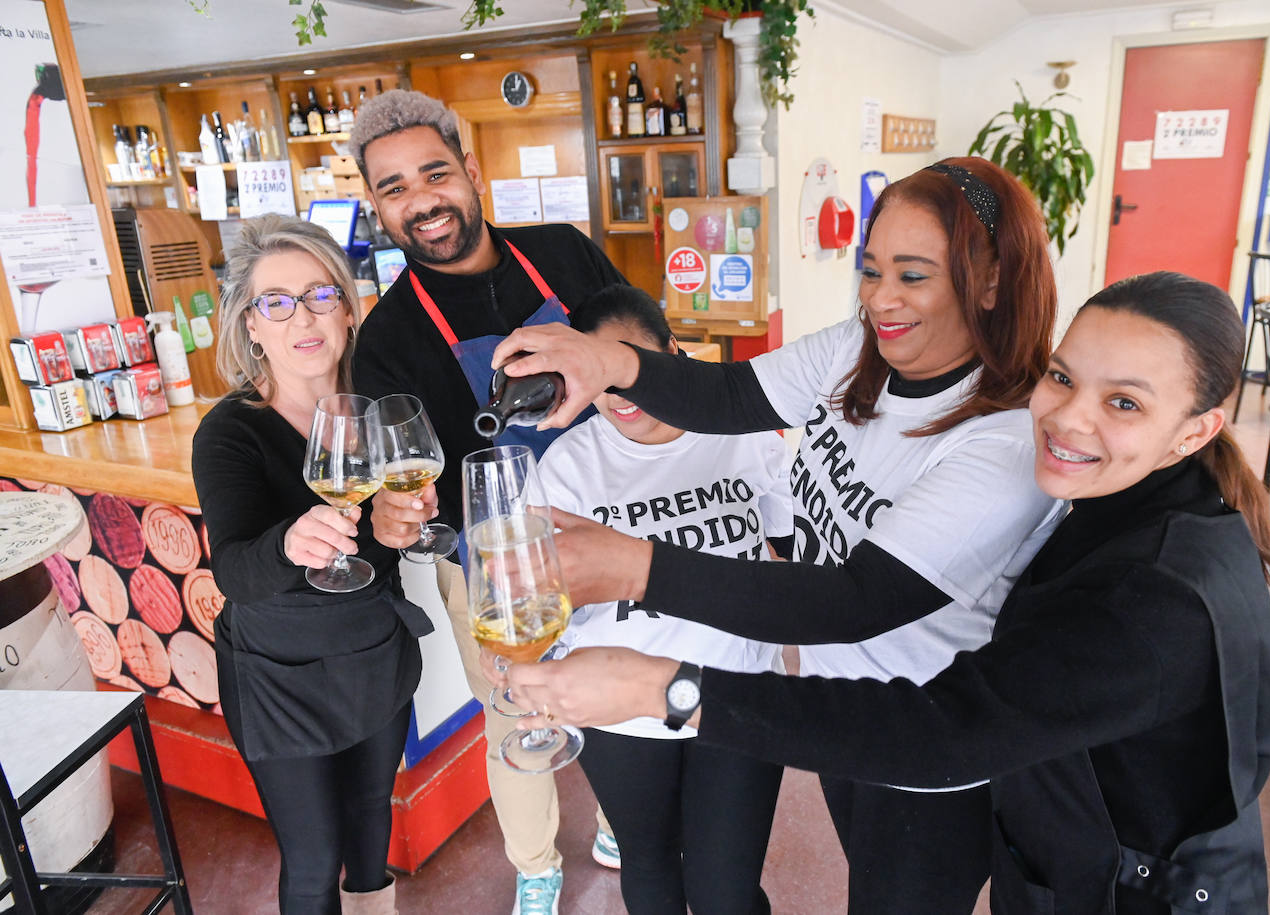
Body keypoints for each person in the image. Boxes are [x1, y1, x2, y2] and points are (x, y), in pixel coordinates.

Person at [500, 271, 1270, 913]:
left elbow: (939, 726)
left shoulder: (1150, 597)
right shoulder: (1107, 495)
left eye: (1124, 403)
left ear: (1197, 429)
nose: (1066, 419)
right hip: (1056, 845)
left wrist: (659, 681)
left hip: (1130, 884)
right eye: (1061, 377)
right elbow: (735, 397)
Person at [491, 158, 1064, 912]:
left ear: (989, 282)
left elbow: (856, 599)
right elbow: (731, 393)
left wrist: (636, 568)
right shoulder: (862, 351)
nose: (882, 299)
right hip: (842, 707)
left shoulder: (1004, 441)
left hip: (925, 745)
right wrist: (609, 363)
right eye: (872, 269)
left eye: (914, 275)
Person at [346, 88, 627, 913]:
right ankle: (535, 863)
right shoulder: (388, 337)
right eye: (394, 188)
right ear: (376, 205)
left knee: (618, 684)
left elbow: (648, 351)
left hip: (611, 523)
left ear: (471, 171)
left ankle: (620, 817)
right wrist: (397, 518)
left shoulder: (565, 255)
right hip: (492, 556)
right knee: (512, 715)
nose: (421, 202)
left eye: (435, 174)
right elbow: (403, 485)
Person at [192, 214, 434, 915]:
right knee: (312, 859)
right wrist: (289, 543)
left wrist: (403, 522)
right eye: (277, 301)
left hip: (370, 651)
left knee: (370, 835)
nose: (303, 315)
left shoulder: (379, 410)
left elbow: (393, 531)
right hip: (278, 672)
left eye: (321, 294)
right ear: (250, 325)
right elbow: (236, 572)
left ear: (349, 310)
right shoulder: (230, 431)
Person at [538, 285, 792, 914]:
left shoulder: (741, 429)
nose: (620, 397)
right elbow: (536, 598)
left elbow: (789, 551)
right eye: (597, 376)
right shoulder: (567, 466)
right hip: (619, 711)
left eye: (631, 368)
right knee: (648, 869)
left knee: (726, 892)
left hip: (738, 691)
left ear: (671, 352)